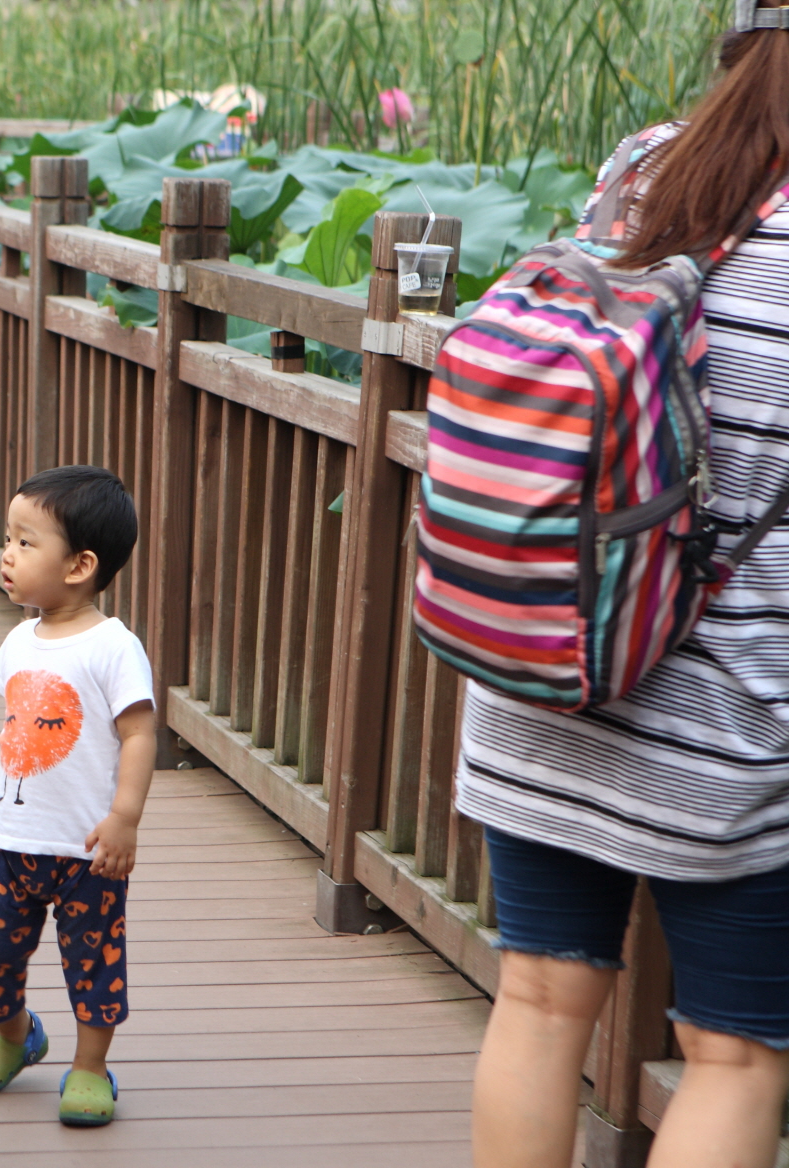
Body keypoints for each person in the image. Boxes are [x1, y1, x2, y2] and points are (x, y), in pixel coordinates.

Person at [457, 5, 789, 1166]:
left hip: (546, 671)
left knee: (540, 1001)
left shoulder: (642, 168)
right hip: (731, 724)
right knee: (733, 1057)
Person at [0, 466, 156, 1128]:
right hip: (12, 843)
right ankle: (15, 1035)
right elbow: (17, 738)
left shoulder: (113, 647)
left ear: (80, 566)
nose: (6, 553)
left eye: (24, 542)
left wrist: (124, 817)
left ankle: (90, 1068)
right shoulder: (19, 640)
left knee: (93, 962)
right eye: (8, 538)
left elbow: (139, 735)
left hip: (86, 852)